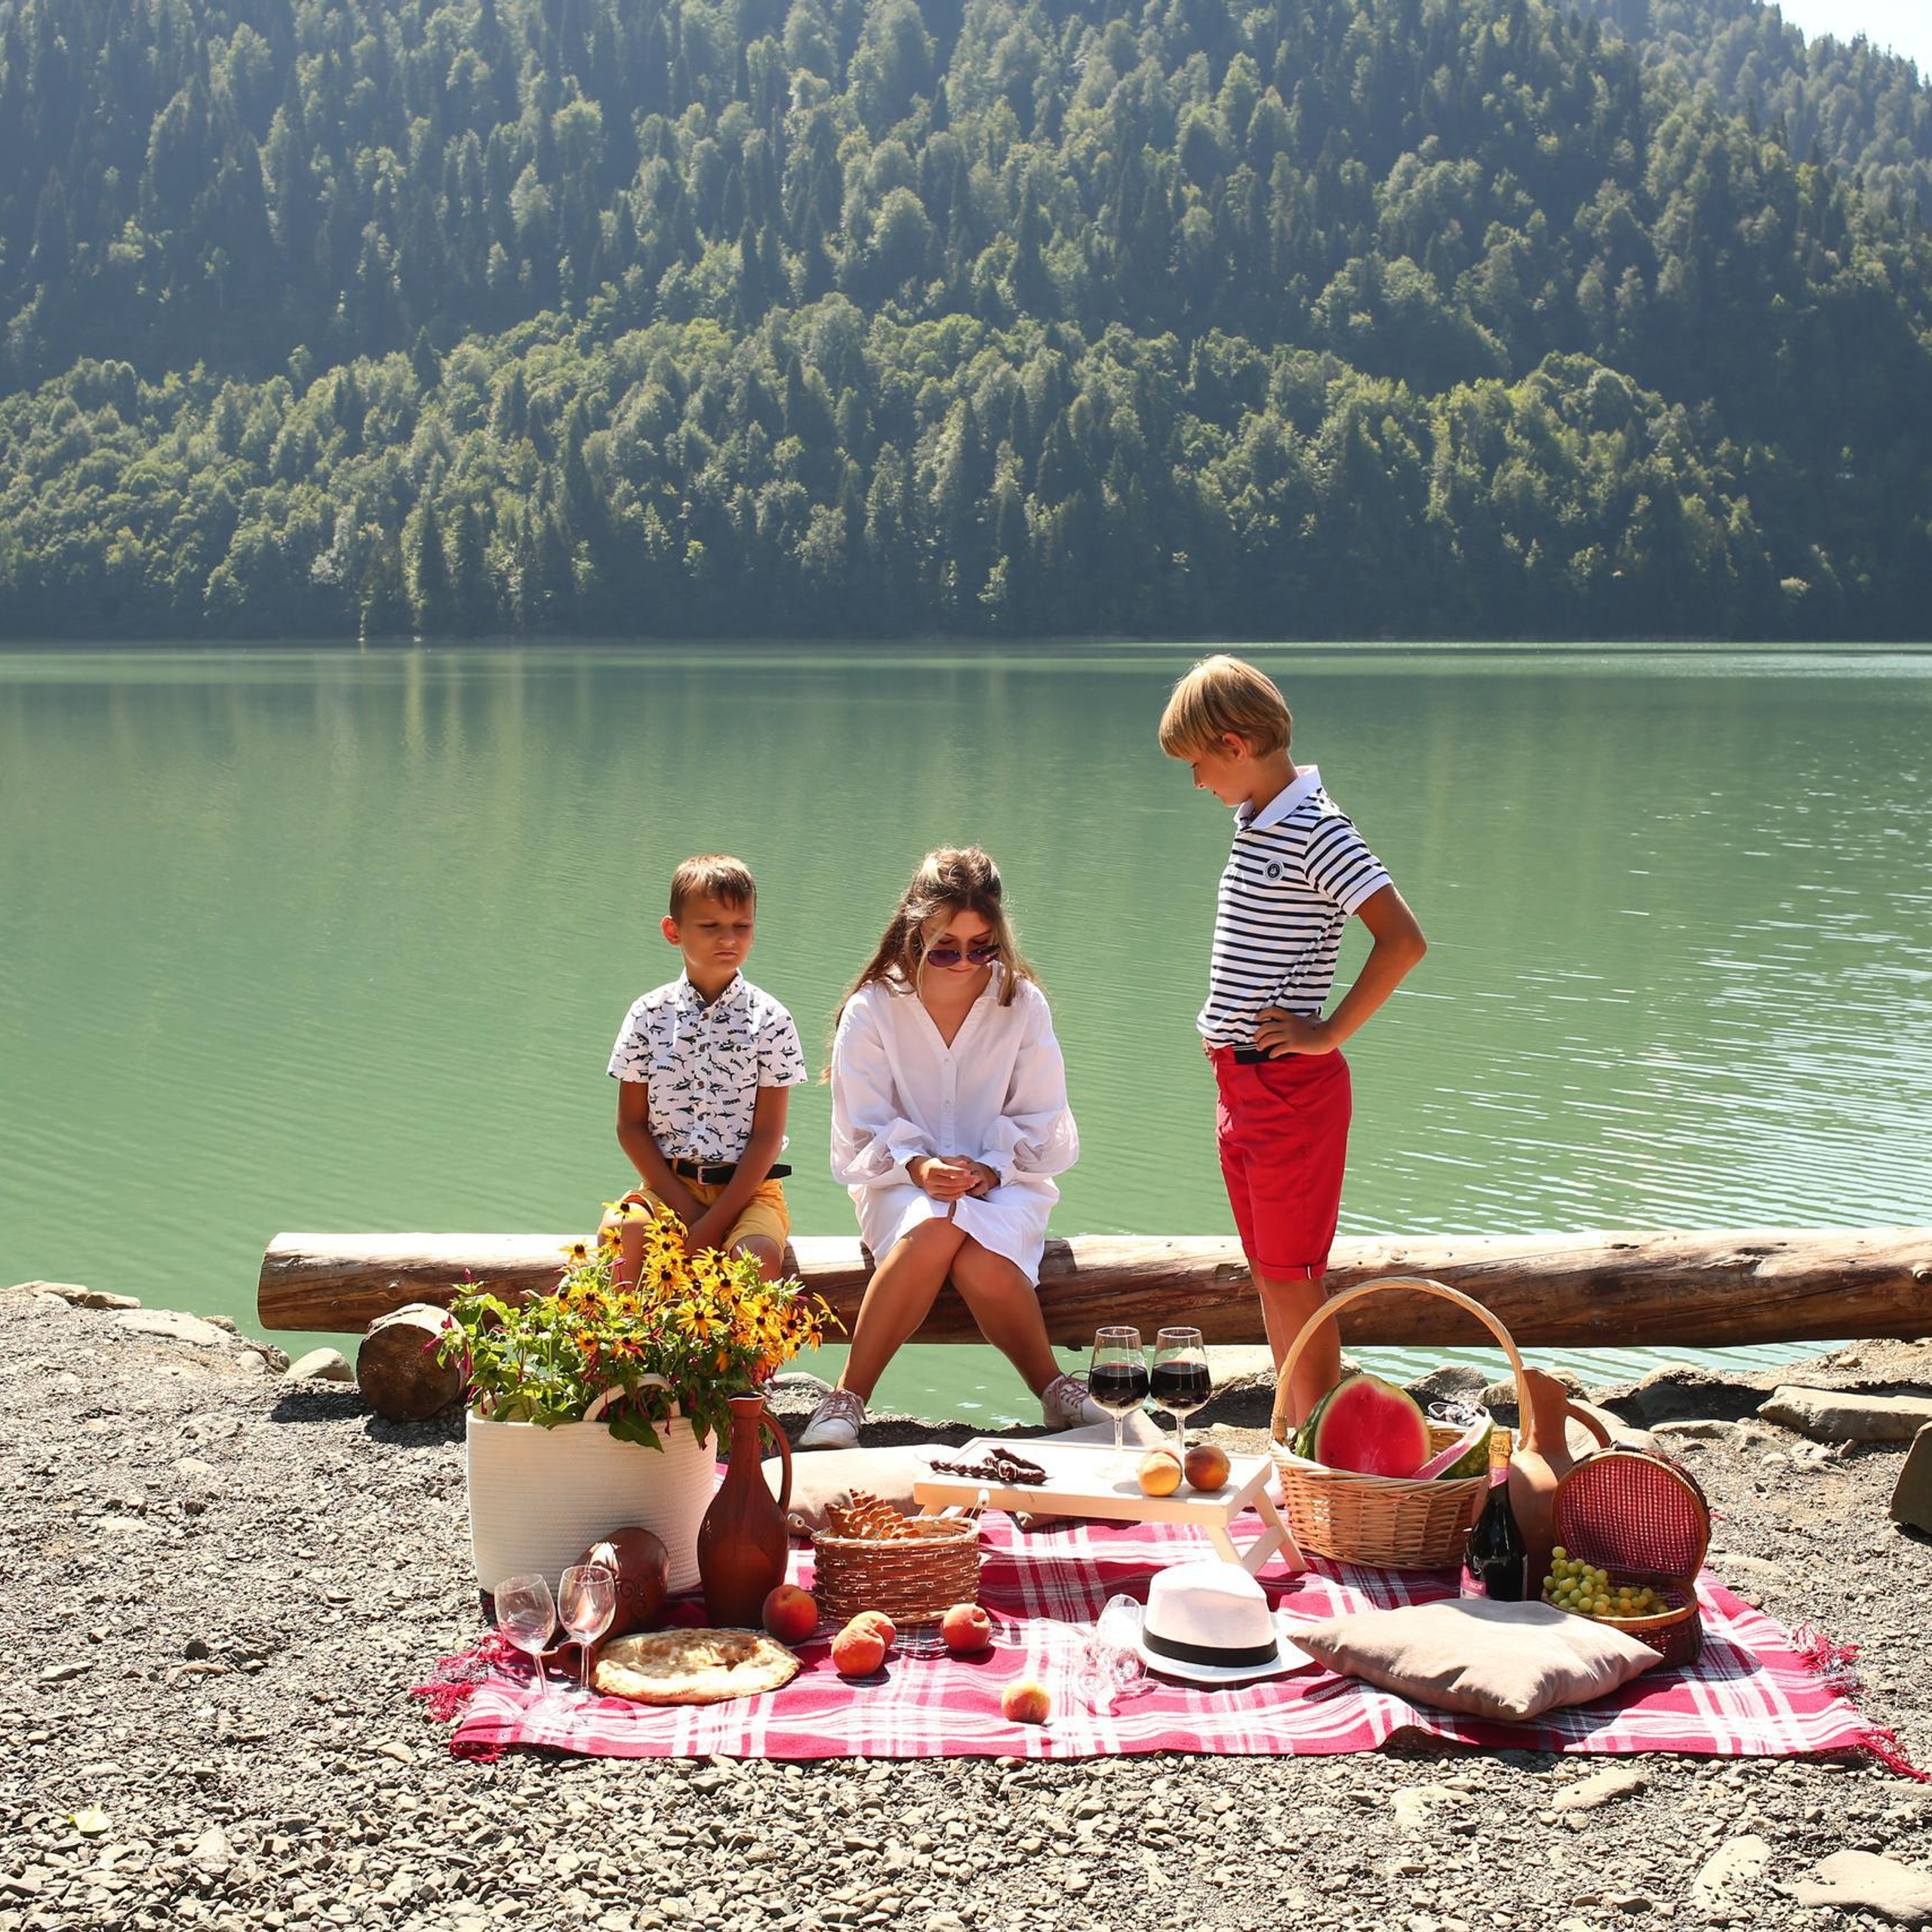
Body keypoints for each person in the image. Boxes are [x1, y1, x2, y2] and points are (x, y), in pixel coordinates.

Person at [1158, 655, 1427, 1426]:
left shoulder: (1317, 829)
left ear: (1236, 745)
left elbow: (1402, 940)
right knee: (1273, 1274)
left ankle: (1317, 1444)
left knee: (1292, 1276)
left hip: (1286, 1089)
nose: (1197, 781)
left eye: (1199, 764)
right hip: (1239, 1082)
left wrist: (1330, 1030)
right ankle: (1295, 1429)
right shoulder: (1260, 818)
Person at [800, 847, 1099, 1449]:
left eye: (982, 946)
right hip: (896, 1183)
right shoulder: (873, 1008)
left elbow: (1041, 1116)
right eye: (945, 948)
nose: (965, 962)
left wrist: (990, 1170)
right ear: (916, 932)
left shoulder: (1022, 1003)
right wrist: (918, 1165)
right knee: (937, 1226)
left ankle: (1053, 1391)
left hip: (1008, 1179)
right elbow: (863, 1126)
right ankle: (847, 1399)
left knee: (977, 1247)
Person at [599, 854, 808, 1287]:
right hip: (668, 1187)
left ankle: (738, 1359)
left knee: (754, 1259)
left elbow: (768, 1136)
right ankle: (626, 1351)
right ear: (673, 931)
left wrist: (716, 1223)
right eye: (710, 926)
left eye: (742, 926)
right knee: (622, 1233)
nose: (729, 938)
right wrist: (692, 1214)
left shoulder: (772, 1019)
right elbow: (631, 1128)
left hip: (750, 1193)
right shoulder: (648, 1014)